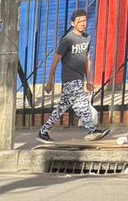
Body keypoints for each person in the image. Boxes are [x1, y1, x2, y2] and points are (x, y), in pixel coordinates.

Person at [40, 9, 108, 142]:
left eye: (85, 21)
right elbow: (56, 60)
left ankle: (43, 132)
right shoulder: (68, 39)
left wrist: (89, 80)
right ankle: (92, 130)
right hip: (70, 78)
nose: (83, 23)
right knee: (82, 103)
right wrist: (50, 81)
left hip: (80, 78)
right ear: (73, 23)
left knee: (62, 107)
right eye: (79, 21)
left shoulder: (87, 38)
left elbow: (87, 60)